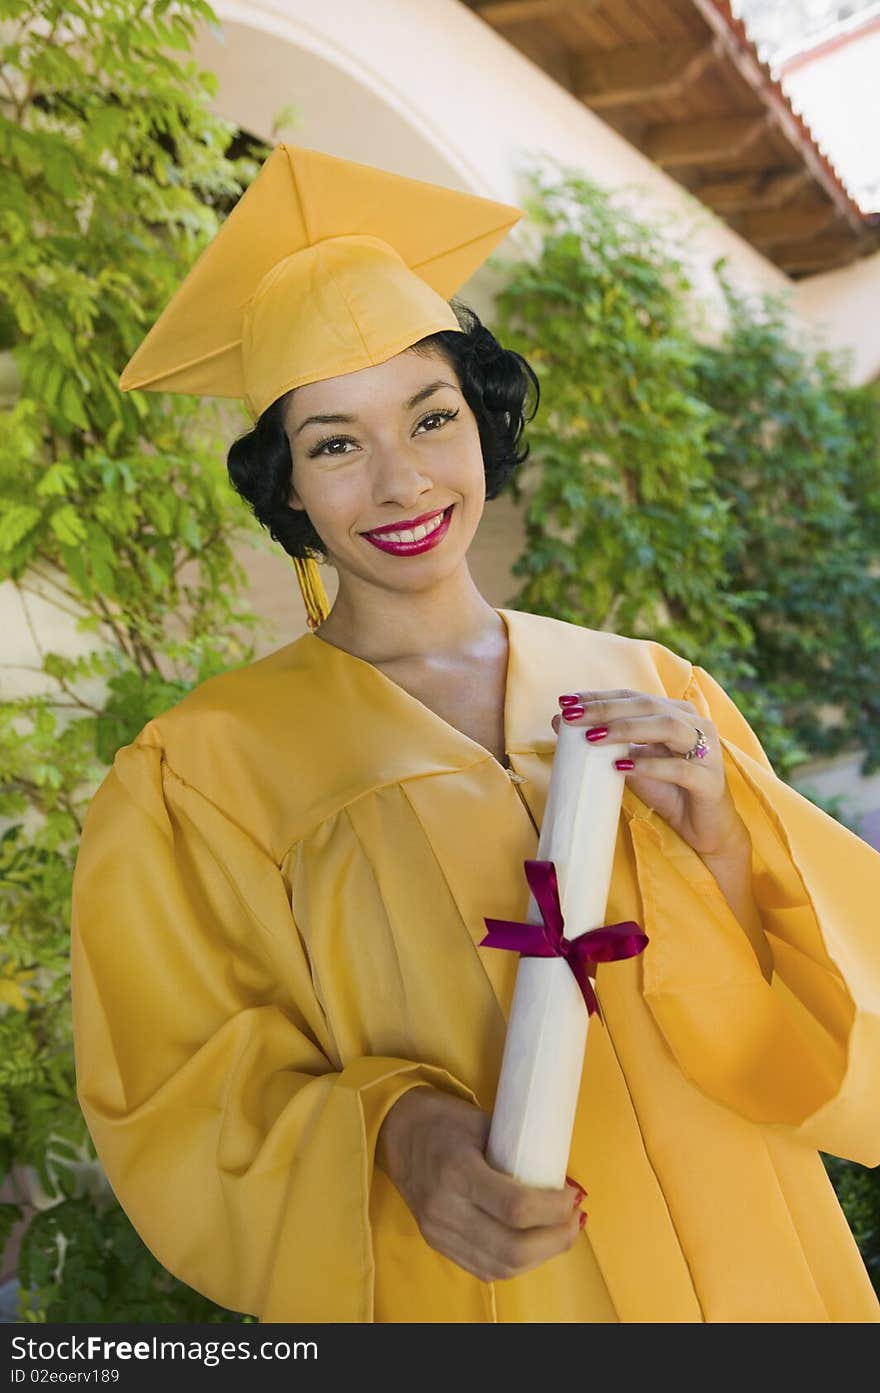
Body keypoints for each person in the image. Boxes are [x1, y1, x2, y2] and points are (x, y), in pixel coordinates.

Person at [70, 144, 880, 1324]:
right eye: (335, 442)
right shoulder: (201, 772)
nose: (401, 482)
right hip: (492, 1297)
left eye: (431, 416)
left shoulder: (646, 682)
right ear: (288, 486)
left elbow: (830, 986)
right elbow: (178, 1087)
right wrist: (396, 1132)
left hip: (758, 1263)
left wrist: (720, 841)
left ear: (481, 427)